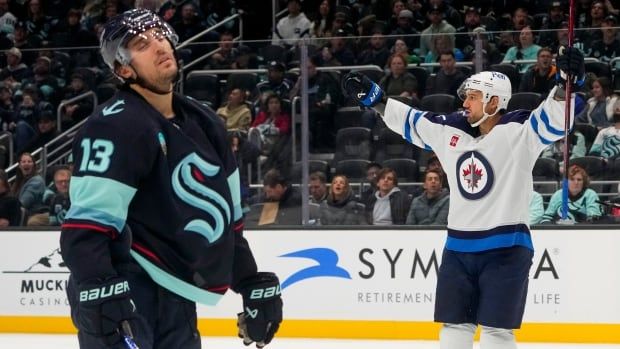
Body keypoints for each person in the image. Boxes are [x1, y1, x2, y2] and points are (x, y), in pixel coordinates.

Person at [60, 9, 282, 349]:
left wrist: (250, 281)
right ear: (123, 69)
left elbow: (229, 223)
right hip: (123, 285)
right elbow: (87, 227)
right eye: (141, 44)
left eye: (161, 36)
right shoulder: (115, 125)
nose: (160, 46)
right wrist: (98, 288)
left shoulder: (205, 122)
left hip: (175, 287)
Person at [342, 46, 585, 348]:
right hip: (458, 249)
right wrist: (376, 100)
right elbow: (413, 121)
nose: (465, 102)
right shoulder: (450, 130)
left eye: (473, 96)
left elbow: (554, 118)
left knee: (497, 332)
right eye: (466, 95)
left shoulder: (520, 132)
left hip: (507, 249)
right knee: (454, 328)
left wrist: (566, 82)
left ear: (494, 102)